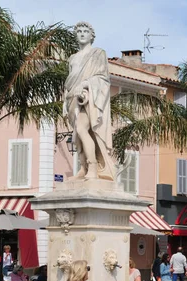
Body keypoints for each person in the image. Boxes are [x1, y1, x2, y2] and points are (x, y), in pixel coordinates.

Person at [64, 21, 115, 181]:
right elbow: (69, 81)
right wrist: (64, 103)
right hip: (72, 98)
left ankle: (93, 168)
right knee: (77, 138)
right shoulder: (72, 58)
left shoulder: (98, 53)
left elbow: (103, 78)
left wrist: (85, 84)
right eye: (79, 31)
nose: (82, 33)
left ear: (92, 35)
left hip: (88, 97)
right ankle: (83, 169)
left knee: (81, 129)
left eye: (85, 31)